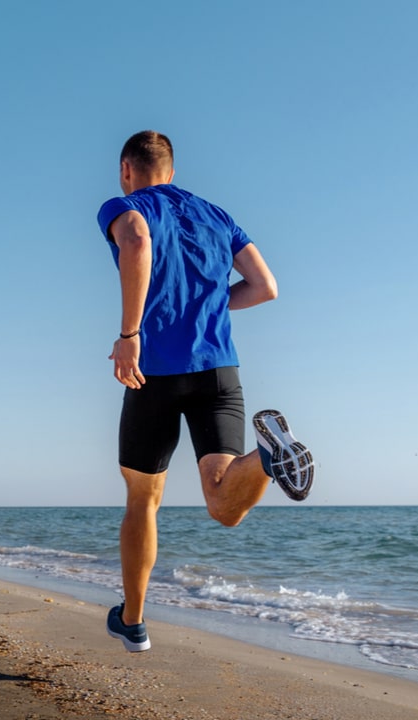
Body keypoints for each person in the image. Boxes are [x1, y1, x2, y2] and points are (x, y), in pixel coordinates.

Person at [97, 130, 315, 653]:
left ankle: (134, 620)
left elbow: (136, 240)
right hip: (219, 371)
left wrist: (130, 334)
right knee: (224, 503)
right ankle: (267, 458)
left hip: (153, 373)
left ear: (128, 168)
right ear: (171, 169)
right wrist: (212, 307)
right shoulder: (217, 215)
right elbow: (266, 287)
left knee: (142, 502)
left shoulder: (124, 206)